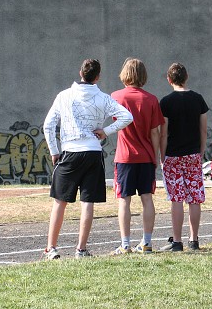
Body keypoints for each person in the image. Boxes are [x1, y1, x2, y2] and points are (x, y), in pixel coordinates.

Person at [42, 59, 133, 259]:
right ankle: (81, 249)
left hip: (70, 150)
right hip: (93, 151)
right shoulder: (102, 97)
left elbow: (48, 125)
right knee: (87, 201)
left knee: (60, 201)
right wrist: (106, 131)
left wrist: (54, 150)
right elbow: (127, 116)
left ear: (80, 72)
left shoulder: (64, 96)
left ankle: (51, 247)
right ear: (97, 77)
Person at [111, 58, 165, 255]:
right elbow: (155, 133)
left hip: (125, 157)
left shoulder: (116, 96)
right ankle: (147, 242)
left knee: (124, 200)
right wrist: (156, 156)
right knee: (146, 198)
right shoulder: (151, 99)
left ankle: (125, 244)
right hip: (145, 156)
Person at [159, 63, 209, 251]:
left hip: (173, 153)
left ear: (169, 79)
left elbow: (163, 133)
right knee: (194, 197)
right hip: (193, 153)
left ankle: (178, 241)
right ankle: (194, 239)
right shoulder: (198, 99)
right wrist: (201, 151)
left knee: (177, 198)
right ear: (186, 77)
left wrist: (162, 156)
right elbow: (203, 130)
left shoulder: (166, 102)